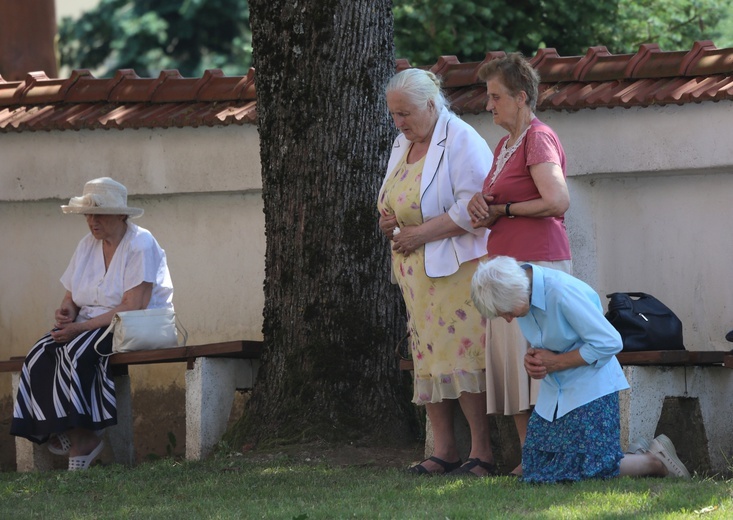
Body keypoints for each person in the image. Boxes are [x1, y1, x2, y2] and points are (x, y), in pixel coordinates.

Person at [470, 256, 691, 483]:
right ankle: (636, 455)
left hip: (592, 389)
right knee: (535, 468)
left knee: (585, 469)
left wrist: (557, 362)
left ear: (516, 290)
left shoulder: (561, 292)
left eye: (506, 311)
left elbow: (610, 342)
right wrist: (534, 361)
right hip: (555, 393)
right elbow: (550, 343)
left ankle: (653, 461)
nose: (508, 319)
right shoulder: (521, 293)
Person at [377, 68, 496, 477]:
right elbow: (394, 195)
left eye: (405, 114)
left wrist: (419, 235)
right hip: (416, 278)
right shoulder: (402, 142)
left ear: (431, 104)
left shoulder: (461, 139)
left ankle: (482, 451)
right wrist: (389, 221)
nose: (399, 123)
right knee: (428, 360)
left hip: (456, 271)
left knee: (463, 357)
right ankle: (444, 449)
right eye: (394, 115)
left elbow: (476, 207)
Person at [11, 177, 174, 471]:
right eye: (88, 214)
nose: (92, 221)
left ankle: (83, 438)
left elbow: (132, 306)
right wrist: (66, 313)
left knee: (76, 352)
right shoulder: (87, 245)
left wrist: (78, 329)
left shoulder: (140, 243)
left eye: (99, 213)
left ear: (120, 214)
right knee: (38, 353)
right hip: (90, 324)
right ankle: (72, 431)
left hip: (130, 325)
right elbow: (71, 298)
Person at [466, 53, 572, 476]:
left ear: (521, 96)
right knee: (514, 362)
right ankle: (532, 458)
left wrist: (503, 209)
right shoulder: (504, 145)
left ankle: (549, 456)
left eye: (495, 97)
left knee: (538, 361)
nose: (488, 105)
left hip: (537, 265)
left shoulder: (537, 138)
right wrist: (480, 204)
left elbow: (557, 200)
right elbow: (495, 201)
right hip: (508, 267)